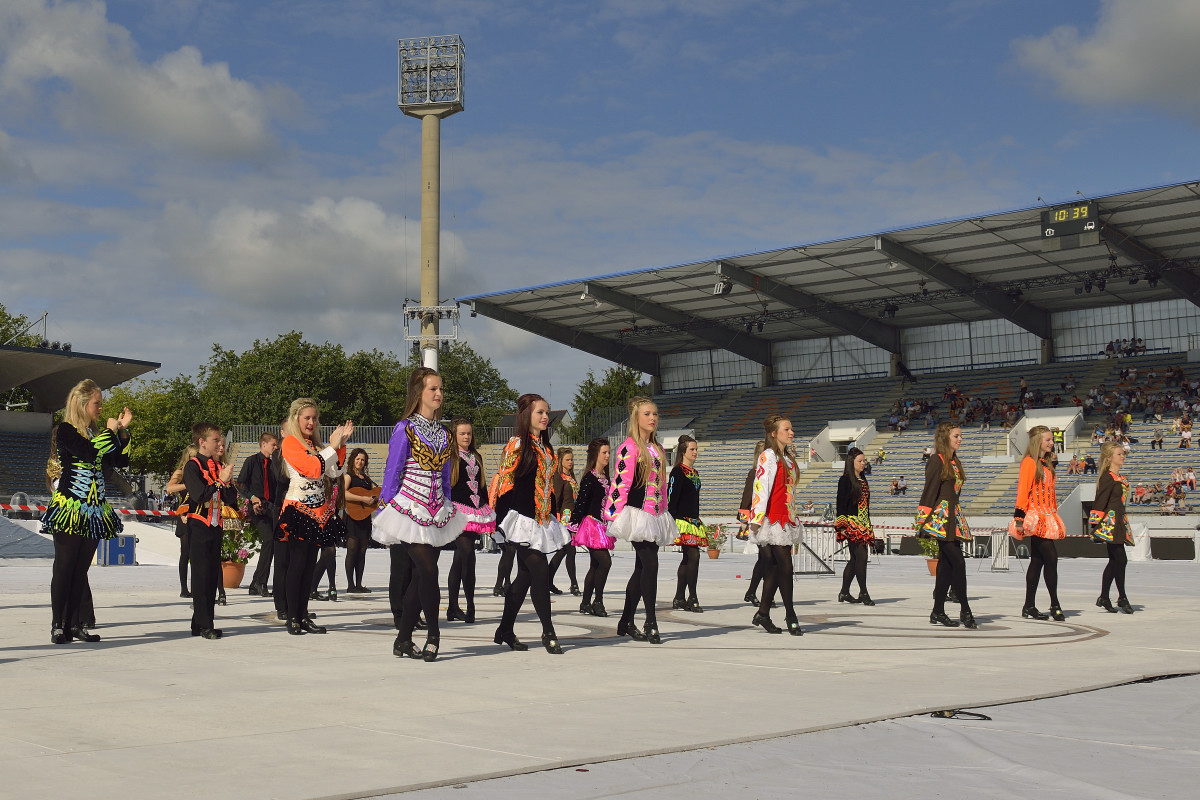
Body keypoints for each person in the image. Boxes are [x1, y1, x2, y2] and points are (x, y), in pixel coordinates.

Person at [373, 368, 464, 661]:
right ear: (418, 393)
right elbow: (393, 469)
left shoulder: (445, 433)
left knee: (417, 579)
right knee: (427, 570)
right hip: (409, 508)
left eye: (440, 389)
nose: (438, 394)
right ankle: (434, 634)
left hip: (436, 511)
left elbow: (446, 474)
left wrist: (448, 505)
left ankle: (402, 639)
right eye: (432, 389)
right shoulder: (405, 428)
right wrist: (385, 507)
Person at [42, 380, 131, 644]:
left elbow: (121, 460)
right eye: (97, 403)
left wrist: (122, 433)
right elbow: (88, 453)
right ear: (82, 404)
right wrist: (110, 432)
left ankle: (76, 625)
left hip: (94, 511)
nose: (101, 408)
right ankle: (58, 625)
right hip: (70, 508)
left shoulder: (96, 434)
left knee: (81, 571)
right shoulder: (66, 431)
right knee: (64, 568)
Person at [489, 393, 572, 654]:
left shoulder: (547, 448)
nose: (546, 416)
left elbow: (549, 489)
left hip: (542, 520)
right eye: (540, 412)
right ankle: (549, 631)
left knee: (524, 577)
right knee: (539, 569)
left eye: (547, 412)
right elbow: (504, 484)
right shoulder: (517, 444)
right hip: (521, 520)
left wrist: (554, 515)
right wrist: (501, 523)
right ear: (527, 416)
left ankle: (504, 628)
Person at [277, 398, 352, 637]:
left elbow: (335, 471)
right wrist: (331, 447)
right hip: (299, 509)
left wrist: (340, 445)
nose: (311, 422)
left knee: (309, 565)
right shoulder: (290, 442)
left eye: (314, 418)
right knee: (297, 564)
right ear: (296, 420)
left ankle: (303, 614)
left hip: (319, 511)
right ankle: (292, 617)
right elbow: (311, 469)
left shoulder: (316, 445)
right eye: (307, 418)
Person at [603, 396, 676, 644]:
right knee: (651, 565)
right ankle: (651, 621)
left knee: (642, 568)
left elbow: (662, 485)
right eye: (647, 414)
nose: (652, 418)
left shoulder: (658, 449)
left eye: (655, 414)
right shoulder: (630, 447)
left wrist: (664, 510)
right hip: (636, 515)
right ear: (636, 418)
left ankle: (626, 620)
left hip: (655, 515)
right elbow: (620, 483)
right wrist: (612, 514)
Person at [915, 422, 976, 629]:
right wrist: (923, 520)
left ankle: (937, 611)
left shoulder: (955, 461)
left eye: (960, 436)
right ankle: (965, 610)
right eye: (956, 436)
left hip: (953, 516)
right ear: (945, 437)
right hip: (941, 518)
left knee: (946, 565)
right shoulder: (936, 460)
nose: (960, 439)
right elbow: (929, 491)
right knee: (958, 562)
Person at [747, 414, 804, 636]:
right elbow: (761, 488)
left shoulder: (788, 459)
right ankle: (791, 614)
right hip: (772, 519)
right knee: (786, 566)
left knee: (772, 568)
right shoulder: (768, 456)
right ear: (774, 433)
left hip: (785, 517)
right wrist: (756, 520)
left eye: (791, 429)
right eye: (786, 429)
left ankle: (763, 612)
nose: (791, 433)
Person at [182, 423, 238, 639]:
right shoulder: (192, 466)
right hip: (198, 524)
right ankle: (206, 624)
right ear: (202, 442)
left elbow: (230, 499)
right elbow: (199, 495)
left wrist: (228, 484)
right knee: (201, 575)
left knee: (212, 575)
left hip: (216, 525)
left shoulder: (218, 466)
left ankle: (200, 622)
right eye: (215, 440)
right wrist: (218, 482)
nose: (219, 443)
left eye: (220, 440)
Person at [1010, 426, 1066, 622]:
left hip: (1048, 515)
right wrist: (1019, 518)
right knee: (1051, 558)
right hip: (1036, 517)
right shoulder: (1029, 463)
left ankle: (1029, 606)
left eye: (1051, 440)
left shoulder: (1046, 463)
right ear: (1037, 442)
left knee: (1038, 561)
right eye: (1048, 440)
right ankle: (1055, 604)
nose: (1051, 443)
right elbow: (1022, 491)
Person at [446, 419, 496, 622]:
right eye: (462, 434)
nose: (466, 437)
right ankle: (470, 605)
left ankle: (453, 607)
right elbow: (447, 485)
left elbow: (481, 486)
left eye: (469, 433)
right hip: (458, 511)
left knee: (460, 558)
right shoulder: (450, 457)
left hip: (476, 511)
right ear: (454, 436)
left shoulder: (477, 456)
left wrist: (487, 510)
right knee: (467, 554)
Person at [569, 438, 614, 617]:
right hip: (590, 526)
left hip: (602, 526)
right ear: (596, 454)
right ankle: (598, 601)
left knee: (595, 565)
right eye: (604, 452)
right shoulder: (589, 477)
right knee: (605, 562)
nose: (607, 456)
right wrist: (574, 525)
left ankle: (586, 602)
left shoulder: (606, 477)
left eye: (609, 452)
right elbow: (581, 503)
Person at [1089, 442, 1134, 614]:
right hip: (1110, 523)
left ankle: (1105, 596)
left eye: (1123, 454)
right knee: (1121, 560)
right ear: (1109, 459)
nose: (1122, 456)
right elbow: (1100, 501)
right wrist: (1095, 525)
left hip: (1119, 521)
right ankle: (1120, 596)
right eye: (1119, 454)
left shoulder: (1121, 478)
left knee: (1116, 561)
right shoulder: (1108, 478)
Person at [237, 432, 280, 598]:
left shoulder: (274, 464)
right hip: (257, 507)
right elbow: (240, 484)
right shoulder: (251, 461)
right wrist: (253, 498)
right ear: (264, 444)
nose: (275, 448)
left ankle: (256, 583)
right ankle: (260, 582)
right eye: (273, 445)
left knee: (274, 544)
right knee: (269, 539)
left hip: (272, 507)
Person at [668, 435, 706, 613]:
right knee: (694, 556)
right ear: (683, 451)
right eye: (692, 449)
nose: (695, 452)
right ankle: (692, 596)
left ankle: (679, 597)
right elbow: (672, 498)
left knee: (688, 558)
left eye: (696, 449)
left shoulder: (694, 472)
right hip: (682, 520)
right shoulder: (677, 471)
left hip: (694, 521)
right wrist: (672, 521)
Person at [835, 447, 874, 606]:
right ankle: (863, 592)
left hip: (863, 523)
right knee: (862, 556)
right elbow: (841, 504)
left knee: (855, 559)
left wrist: (868, 524)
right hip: (851, 523)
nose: (863, 463)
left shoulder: (863, 479)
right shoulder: (845, 480)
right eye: (860, 461)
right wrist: (842, 525)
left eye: (864, 460)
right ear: (851, 463)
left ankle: (844, 592)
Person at [342, 448, 379, 594]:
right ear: (353, 460)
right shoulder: (348, 476)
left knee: (362, 551)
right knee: (352, 550)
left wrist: (373, 500)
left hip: (364, 518)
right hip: (352, 517)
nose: (360, 462)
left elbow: (372, 497)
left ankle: (359, 583)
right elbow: (344, 494)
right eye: (358, 459)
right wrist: (362, 499)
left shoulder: (367, 479)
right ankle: (350, 584)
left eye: (363, 460)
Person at [165, 445, 199, 599]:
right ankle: (184, 588)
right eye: (194, 456)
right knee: (185, 552)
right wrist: (188, 484)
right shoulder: (181, 472)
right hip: (184, 513)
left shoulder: (200, 471)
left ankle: (197, 587)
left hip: (199, 512)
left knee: (197, 553)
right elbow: (169, 488)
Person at [740, 441, 771, 606]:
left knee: (764, 559)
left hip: (769, 519)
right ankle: (759, 593)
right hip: (757, 520)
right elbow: (746, 496)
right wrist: (744, 520)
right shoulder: (754, 473)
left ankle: (753, 592)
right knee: (766, 557)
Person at [547, 447, 580, 596]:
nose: (570, 462)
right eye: (567, 460)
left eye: (571, 459)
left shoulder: (571, 477)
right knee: (569, 550)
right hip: (563, 518)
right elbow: (557, 498)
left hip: (572, 517)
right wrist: (557, 516)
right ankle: (574, 584)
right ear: (560, 461)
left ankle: (548, 579)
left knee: (563, 551)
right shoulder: (558, 477)